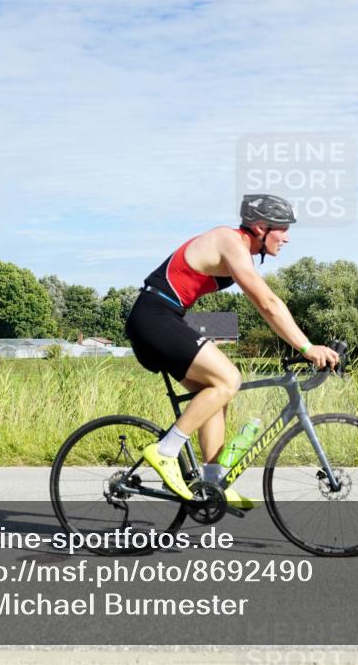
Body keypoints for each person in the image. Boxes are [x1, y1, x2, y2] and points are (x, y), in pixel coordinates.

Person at [124, 194, 340, 507]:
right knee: (228, 379)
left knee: (216, 392)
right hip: (154, 316)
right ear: (260, 227)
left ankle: (212, 485)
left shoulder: (240, 251)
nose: (288, 237)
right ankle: (165, 451)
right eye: (283, 228)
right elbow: (267, 303)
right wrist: (306, 346)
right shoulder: (230, 241)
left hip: (165, 317)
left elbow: (267, 305)